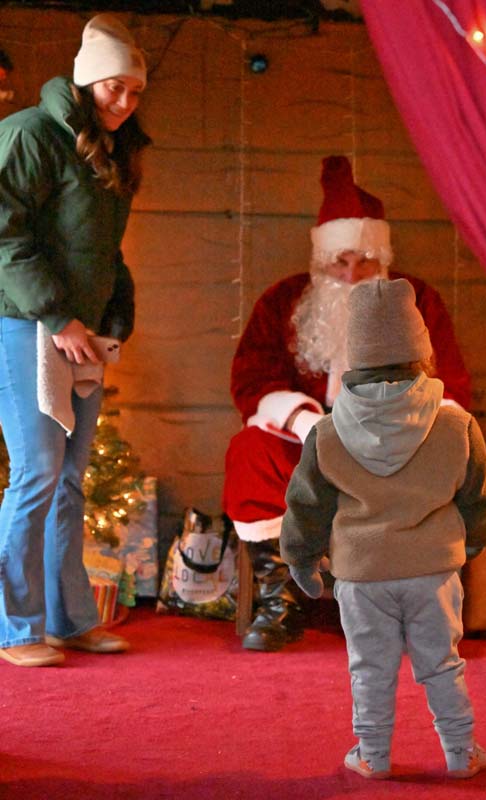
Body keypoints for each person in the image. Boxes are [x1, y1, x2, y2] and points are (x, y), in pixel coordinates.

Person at [223, 155, 472, 652]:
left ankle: (400, 608)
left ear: (384, 260)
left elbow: (449, 385)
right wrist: (302, 421)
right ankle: (281, 600)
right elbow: (253, 379)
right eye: (340, 262)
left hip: (394, 445)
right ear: (321, 261)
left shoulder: (417, 301)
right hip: (307, 444)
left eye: (365, 261)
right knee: (250, 451)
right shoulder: (284, 301)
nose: (352, 274)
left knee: (438, 462)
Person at [279, 277, 486, 779]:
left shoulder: (327, 434)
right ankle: (461, 753)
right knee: (442, 664)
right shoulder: (457, 426)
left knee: (370, 668)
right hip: (433, 572)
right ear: (421, 349)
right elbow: (482, 495)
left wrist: (301, 558)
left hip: (362, 576)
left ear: (354, 357)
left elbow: (306, 506)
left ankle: (373, 755)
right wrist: (472, 542)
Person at [0, 14, 151, 667]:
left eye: (135, 91)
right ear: (87, 82)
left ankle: (69, 621)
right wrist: (57, 316)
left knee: (69, 479)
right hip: (23, 323)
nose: (125, 101)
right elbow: (4, 235)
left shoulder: (109, 150)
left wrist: (114, 316)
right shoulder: (29, 134)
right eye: (116, 87)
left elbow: (104, 252)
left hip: (81, 334)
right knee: (36, 472)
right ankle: (16, 629)